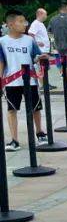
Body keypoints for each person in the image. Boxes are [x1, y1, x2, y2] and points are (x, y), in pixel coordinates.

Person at [0, 10, 48, 150]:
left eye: (25, 21)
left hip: (30, 81)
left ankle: (40, 133)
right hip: (11, 82)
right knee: (11, 110)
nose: (24, 24)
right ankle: (14, 140)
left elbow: (36, 56)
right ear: (10, 24)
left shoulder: (29, 40)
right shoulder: (2, 41)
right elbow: (1, 61)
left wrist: (40, 58)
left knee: (35, 108)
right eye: (20, 21)